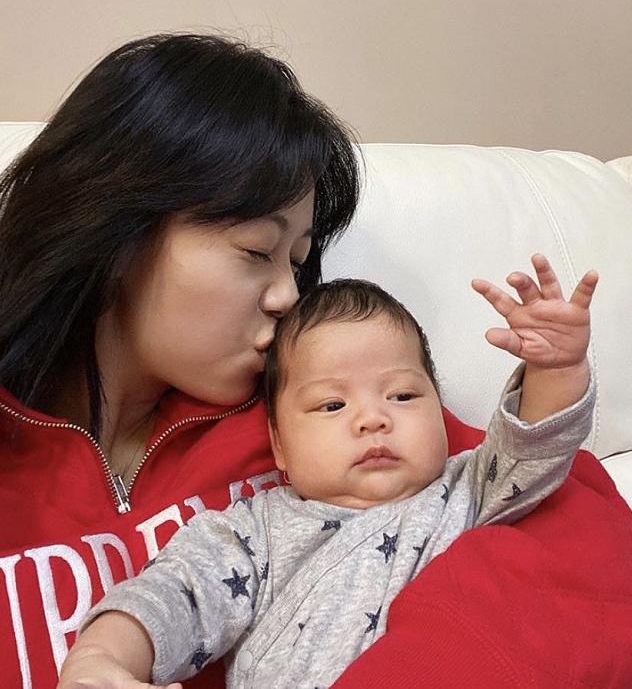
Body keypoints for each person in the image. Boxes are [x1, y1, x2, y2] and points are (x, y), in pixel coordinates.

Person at [0, 33, 360, 689]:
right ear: (118, 231)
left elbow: (528, 503)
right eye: (258, 250)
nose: (288, 295)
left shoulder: (320, 411)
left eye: (297, 261)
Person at [57, 255, 598, 689]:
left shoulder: (471, 486)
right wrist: (102, 657)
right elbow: (179, 592)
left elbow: (535, 446)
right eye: (332, 405)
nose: (373, 418)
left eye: (403, 395)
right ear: (279, 444)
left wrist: (556, 368)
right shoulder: (254, 531)